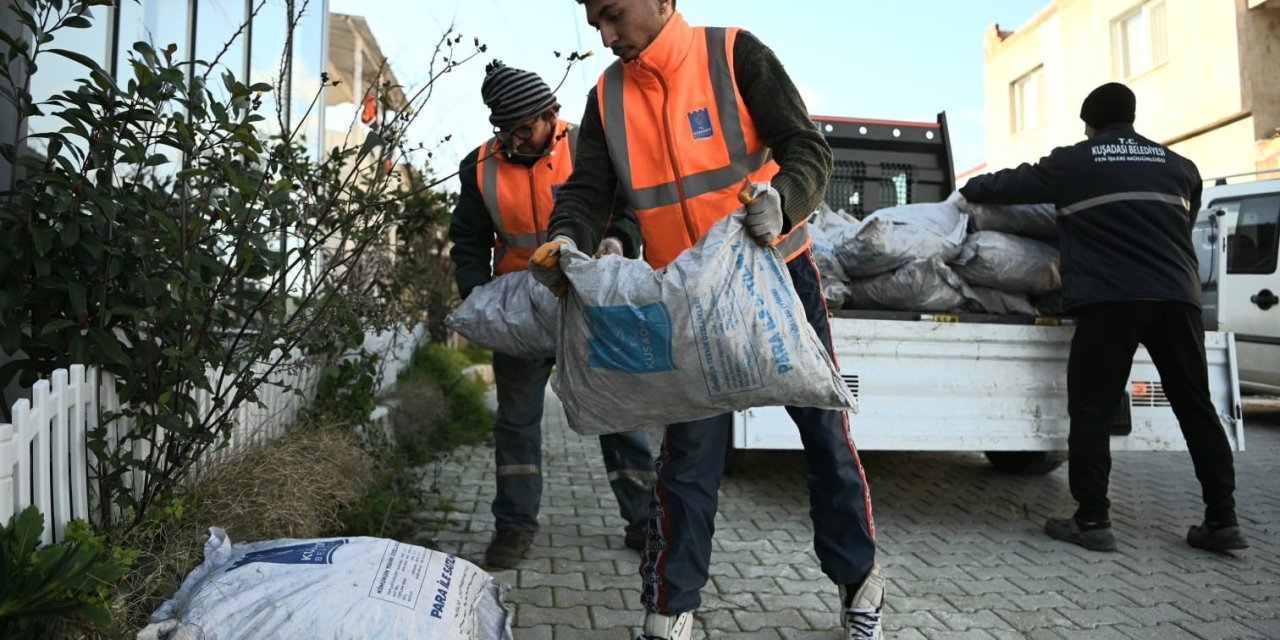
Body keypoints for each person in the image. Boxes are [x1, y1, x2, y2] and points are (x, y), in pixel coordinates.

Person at [525, 3, 883, 639]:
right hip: (685, 298)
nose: (607, 37)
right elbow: (586, 194)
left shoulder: (734, 53)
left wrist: (785, 201)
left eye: (613, 15)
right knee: (688, 461)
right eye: (595, 26)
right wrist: (564, 242)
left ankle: (860, 587)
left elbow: (807, 147)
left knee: (825, 437)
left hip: (776, 277)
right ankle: (669, 613)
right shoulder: (607, 97)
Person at [957, 82, 1247, 554]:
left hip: (1111, 297)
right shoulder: (1180, 166)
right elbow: (1184, 221)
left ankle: (1093, 520)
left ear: (1090, 122)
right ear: (1131, 119)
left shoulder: (1077, 160)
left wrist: (969, 187)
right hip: (1178, 297)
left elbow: (1007, 185)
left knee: (1092, 408)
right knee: (1196, 407)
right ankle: (1224, 520)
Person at [448, 60, 657, 570]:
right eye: (506, 130)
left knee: (619, 412)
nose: (515, 139)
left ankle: (645, 523)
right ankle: (514, 527)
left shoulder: (591, 144)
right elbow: (470, 241)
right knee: (517, 421)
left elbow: (629, 208)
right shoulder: (479, 166)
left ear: (551, 115)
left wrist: (616, 240)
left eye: (525, 128)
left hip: (592, 301)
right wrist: (477, 297)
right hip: (521, 310)